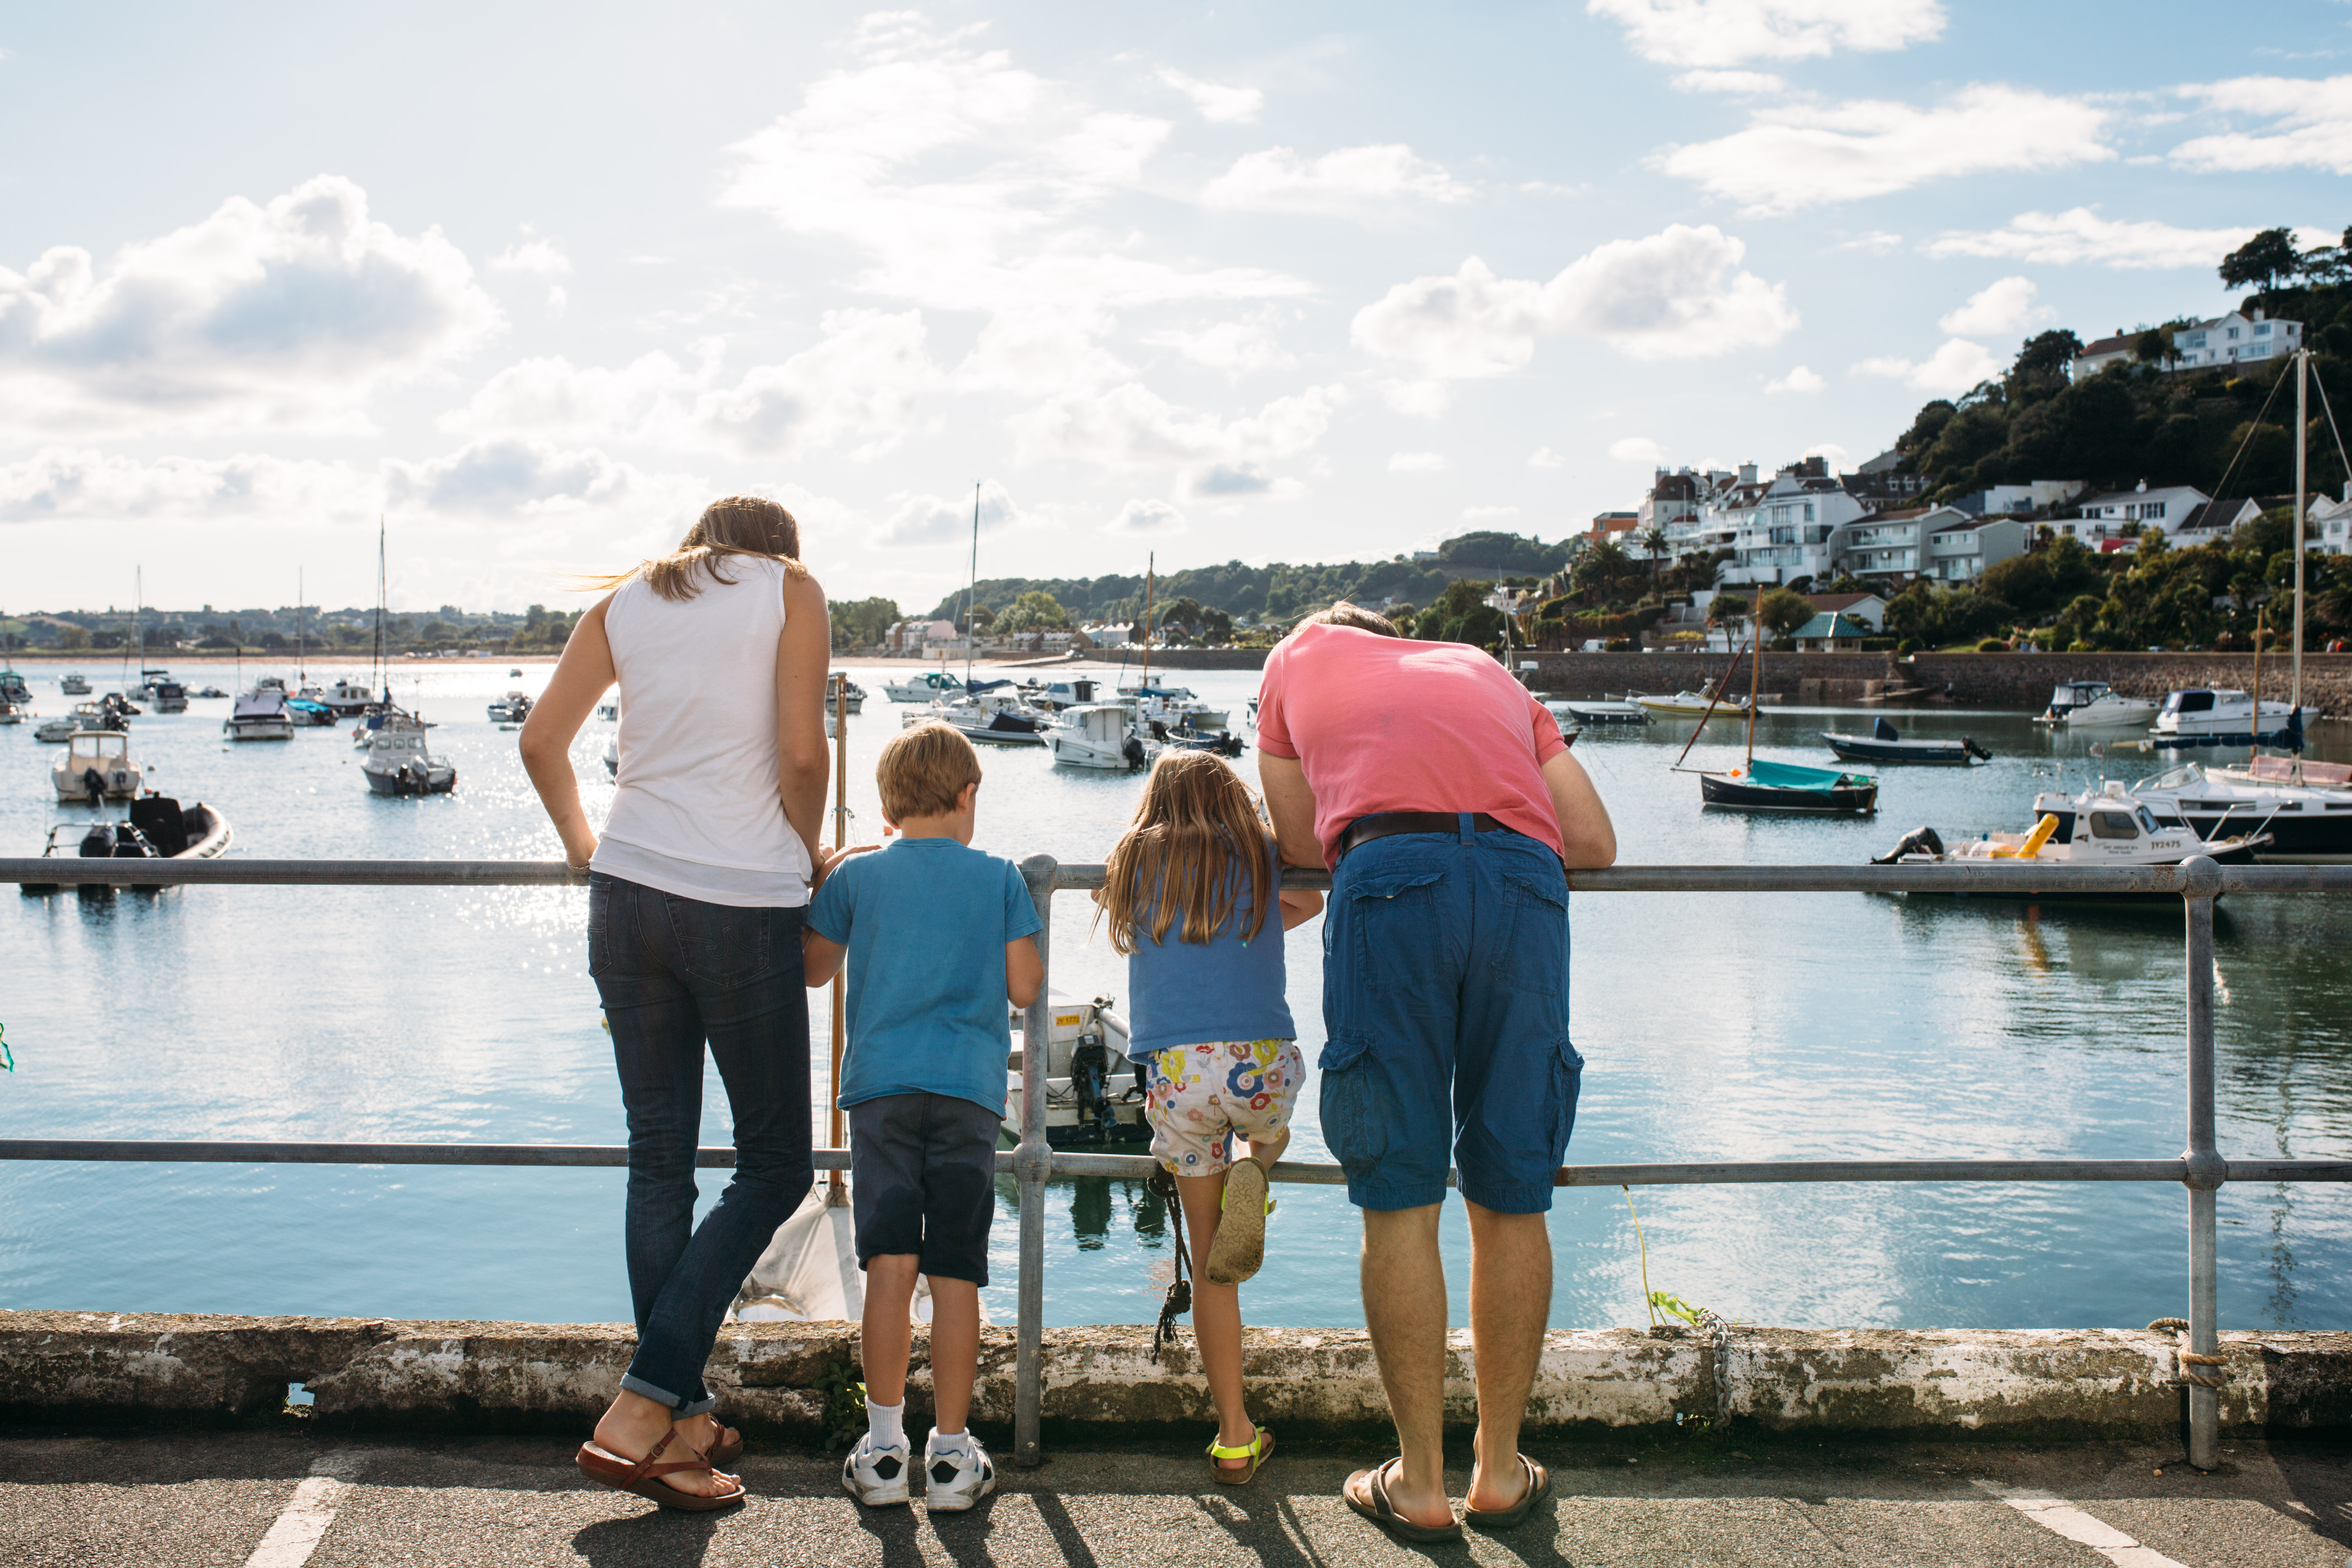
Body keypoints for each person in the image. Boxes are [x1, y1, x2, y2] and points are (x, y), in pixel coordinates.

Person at [1254, 603, 1616, 1544]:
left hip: (1392, 875)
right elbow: (1595, 841)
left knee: (1401, 1195)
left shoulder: (1295, 654)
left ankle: (1417, 1481)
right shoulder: (1484, 668)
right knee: (1511, 1194)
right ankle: (1499, 1472)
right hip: (1526, 889)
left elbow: (1299, 844)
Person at [520, 495, 840, 1511]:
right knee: (778, 1161)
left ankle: (682, 1424)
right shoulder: (791, 590)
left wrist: (586, 848)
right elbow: (800, 755)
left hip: (626, 897)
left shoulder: (630, 597)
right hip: (736, 902)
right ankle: (643, 1401)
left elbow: (541, 741)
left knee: (659, 1159)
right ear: (779, 550)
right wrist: (811, 855)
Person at [804, 722, 1044, 1512]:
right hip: (969, 1096)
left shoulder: (861, 877)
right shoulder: (1001, 877)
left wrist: (830, 874)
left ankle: (881, 1452)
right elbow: (1025, 988)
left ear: (888, 803)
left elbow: (811, 969)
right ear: (968, 795)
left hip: (880, 1093)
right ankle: (948, 1458)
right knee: (954, 1274)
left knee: (889, 1268)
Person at [1095, 750, 1323, 1485]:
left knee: (1210, 1262)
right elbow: (1312, 898)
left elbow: (1118, 911)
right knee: (1272, 1120)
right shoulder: (1258, 853)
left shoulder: (1132, 860)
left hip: (1173, 1072)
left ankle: (1233, 1439)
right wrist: (1254, 921)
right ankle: (1260, 1163)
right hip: (1256, 1063)